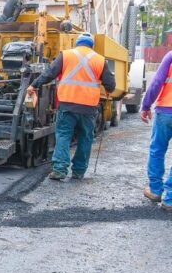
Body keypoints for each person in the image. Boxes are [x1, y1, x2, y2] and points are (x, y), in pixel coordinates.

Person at [26, 32, 116, 181]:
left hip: (68, 105)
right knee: (85, 138)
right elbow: (111, 85)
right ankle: (79, 171)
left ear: (78, 43)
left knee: (63, 135)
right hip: (89, 108)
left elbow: (49, 73)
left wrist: (34, 85)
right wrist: (108, 89)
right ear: (91, 46)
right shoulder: (100, 60)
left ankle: (60, 170)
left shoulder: (66, 55)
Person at [139, 49, 172, 209]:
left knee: (157, 150)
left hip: (166, 111)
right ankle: (170, 199)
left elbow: (157, 82)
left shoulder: (171, 56)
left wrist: (146, 106)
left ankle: (155, 190)